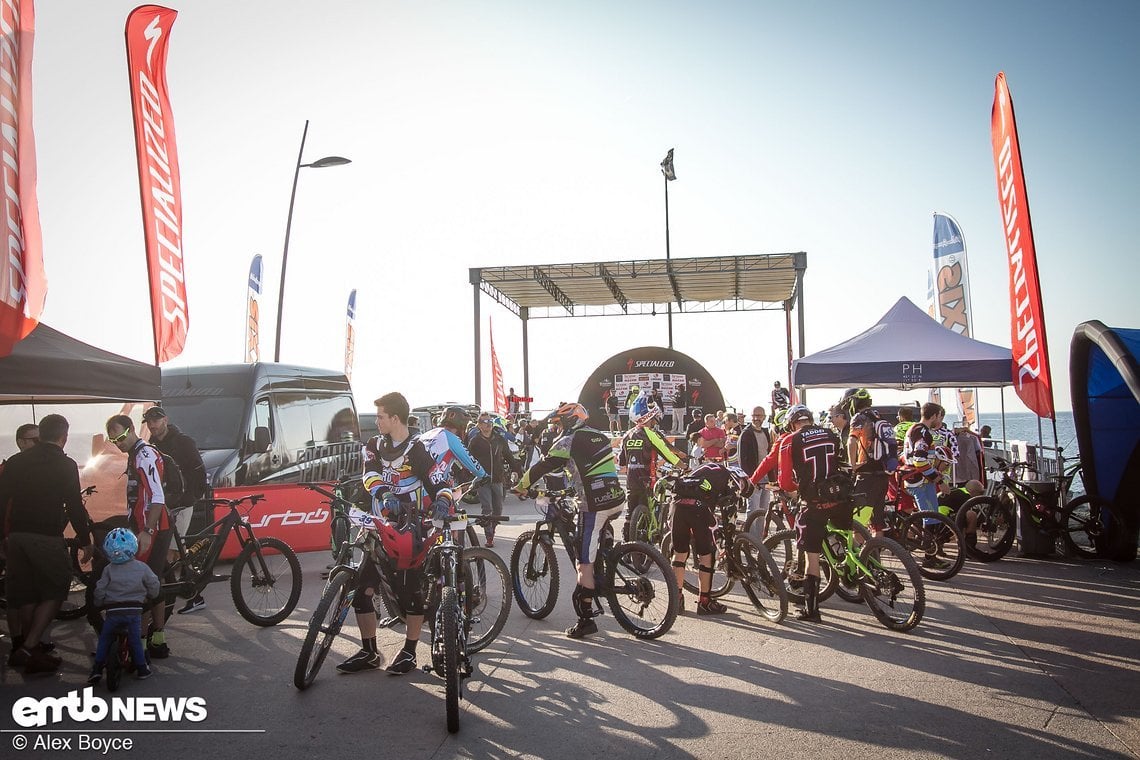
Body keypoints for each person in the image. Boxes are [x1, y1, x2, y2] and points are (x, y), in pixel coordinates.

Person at [337, 392, 454, 675]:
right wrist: (384, 492)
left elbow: (441, 482)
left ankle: (409, 652)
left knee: (411, 594)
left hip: (411, 530)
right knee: (362, 590)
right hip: (379, 527)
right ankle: (369, 651)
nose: (376, 421)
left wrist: (442, 500)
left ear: (395, 418)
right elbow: (369, 475)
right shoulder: (375, 445)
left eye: (380, 416)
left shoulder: (417, 449)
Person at [515, 403, 626, 638]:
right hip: (616, 498)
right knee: (597, 541)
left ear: (569, 421)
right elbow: (584, 468)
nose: (556, 429)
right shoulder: (600, 436)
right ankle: (602, 565)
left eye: (558, 424)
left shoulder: (568, 441)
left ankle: (585, 619)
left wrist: (522, 486)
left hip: (594, 503)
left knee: (582, 562)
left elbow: (544, 466)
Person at [0, 414, 93, 673]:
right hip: (46, 536)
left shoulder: (16, 462)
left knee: (26, 594)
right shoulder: (65, 465)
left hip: (16, 536)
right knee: (55, 589)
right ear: (64, 437)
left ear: (40, 434)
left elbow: (1, 500)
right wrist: (86, 540)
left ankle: (31, 651)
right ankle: (29, 646)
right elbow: (74, 506)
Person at [105, 414, 173, 659]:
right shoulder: (134, 454)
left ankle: (147, 641)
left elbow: (157, 496)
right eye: (113, 440)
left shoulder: (145, 454)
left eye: (121, 437)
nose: (118, 443)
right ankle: (153, 638)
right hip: (142, 525)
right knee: (151, 581)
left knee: (145, 583)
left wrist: (148, 531)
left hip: (154, 525)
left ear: (132, 430)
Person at [777, 404, 852, 623]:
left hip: (815, 501)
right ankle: (853, 569)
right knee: (845, 539)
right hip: (839, 496)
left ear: (792, 423)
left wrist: (793, 491)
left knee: (812, 557)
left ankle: (811, 610)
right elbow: (843, 463)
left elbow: (785, 481)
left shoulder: (790, 440)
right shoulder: (830, 432)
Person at [143, 406, 209, 614]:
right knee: (175, 550)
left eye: (156, 420)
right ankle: (193, 595)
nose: (152, 424)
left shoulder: (183, 442)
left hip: (181, 504)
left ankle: (159, 600)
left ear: (165, 420)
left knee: (169, 553)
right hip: (163, 504)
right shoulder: (151, 445)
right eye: (148, 421)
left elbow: (200, 474)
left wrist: (188, 499)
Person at [669, 462, 754, 614]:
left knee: (679, 553)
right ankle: (705, 602)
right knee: (706, 556)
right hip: (698, 509)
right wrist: (727, 542)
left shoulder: (705, 469)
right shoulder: (733, 481)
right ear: (742, 480)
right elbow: (730, 517)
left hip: (677, 507)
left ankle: (677, 600)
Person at [87, 528, 160, 684]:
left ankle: (97, 669)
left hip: (113, 612)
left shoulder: (108, 569)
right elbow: (153, 583)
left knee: (105, 639)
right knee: (135, 640)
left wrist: (98, 603)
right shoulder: (142, 567)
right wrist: (151, 595)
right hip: (134, 611)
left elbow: (100, 589)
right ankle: (142, 668)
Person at [2, 423, 41, 658]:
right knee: (19, 592)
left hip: (17, 534)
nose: (39, 444)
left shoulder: (29, 465)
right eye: (34, 440)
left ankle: (25, 641)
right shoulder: (11, 467)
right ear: (21, 442)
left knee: (22, 590)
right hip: (12, 534)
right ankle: (23, 643)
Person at [618, 409, 685, 537]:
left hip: (631, 479)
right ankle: (647, 543)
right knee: (648, 509)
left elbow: (621, 461)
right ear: (649, 419)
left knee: (630, 513)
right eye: (654, 418)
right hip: (648, 478)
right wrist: (684, 466)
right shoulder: (650, 433)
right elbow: (666, 453)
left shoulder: (627, 434)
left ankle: (627, 541)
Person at [844, 389, 893, 534]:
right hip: (883, 472)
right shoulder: (878, 416)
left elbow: (852, 441)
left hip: (867, 474)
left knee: (857, 523)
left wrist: (852, 464)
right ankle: (876, 552)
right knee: (877, 521)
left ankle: (861, 555)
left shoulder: (859, 418)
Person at [465, 411, 515, 547]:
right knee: (487, 508)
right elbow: (468, 459)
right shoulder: (475, 441)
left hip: (498, 478)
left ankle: (492, 528)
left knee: (498, 509)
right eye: (485, 422)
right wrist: (469, 477)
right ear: (479, 425)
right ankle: (489, 536)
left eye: (490, 422)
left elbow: (509, 455)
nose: (489, 424)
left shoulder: (499, 439)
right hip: (483, 480)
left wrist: (517, 470)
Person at [903, 403, 948, 512]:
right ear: (933, 416)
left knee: (931, 516)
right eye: (939, 417)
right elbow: (919, 461)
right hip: (919, 481)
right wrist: (940, 482)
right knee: (929, 517)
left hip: (921, 479)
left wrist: (934, 473)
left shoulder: (915, 428)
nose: (940, 421)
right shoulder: (922, 433)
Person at [738, 407, 773, 516]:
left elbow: (769, 455)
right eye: (754, 415)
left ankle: (761, 533)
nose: (757, 418)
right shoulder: (746, 434)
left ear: (764, 417)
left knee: (764, 510)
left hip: (766, 477)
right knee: (753, 509)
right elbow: (742, 459)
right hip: (753, 477)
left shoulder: (766, 433)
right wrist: (750, 479)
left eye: (759, 416)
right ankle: (751, 533)